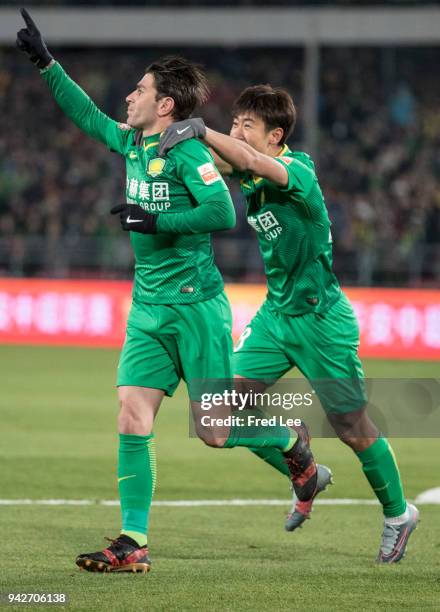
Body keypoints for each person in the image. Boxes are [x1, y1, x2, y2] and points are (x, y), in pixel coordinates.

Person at [16, 10, 328, 573]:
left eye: (140, 89)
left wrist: (153, 222)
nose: (129, 96)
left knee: (214, 430)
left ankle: (289, 440)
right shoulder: (134, 140)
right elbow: (87, 117)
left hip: (195, 307)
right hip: (148, 309)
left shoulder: (186, 153)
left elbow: (219, 210)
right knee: (131, 412)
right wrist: (47, 63)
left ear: (166, 105)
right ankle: (132, 542)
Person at [159, 85, 419, 563]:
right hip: (276, 316)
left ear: (275, 135)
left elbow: (251, 163)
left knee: (351, 426)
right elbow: (214, 164)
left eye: (247, 126)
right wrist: (156, 142)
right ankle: (302, 468)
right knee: (216, 409)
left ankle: (399, 513)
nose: (237, 133)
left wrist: (203, 130)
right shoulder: (245, 166)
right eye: (235, 123)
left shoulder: (295, 172)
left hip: (321, 321)